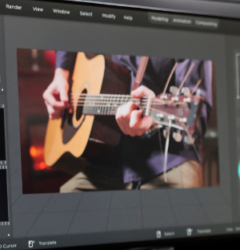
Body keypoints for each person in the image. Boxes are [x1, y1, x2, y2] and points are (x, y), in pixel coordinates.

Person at [42, 53, 212, 191]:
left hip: (167, 159)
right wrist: (61, 73)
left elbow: (198, 113)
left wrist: (152, 119)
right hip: (110, 156)